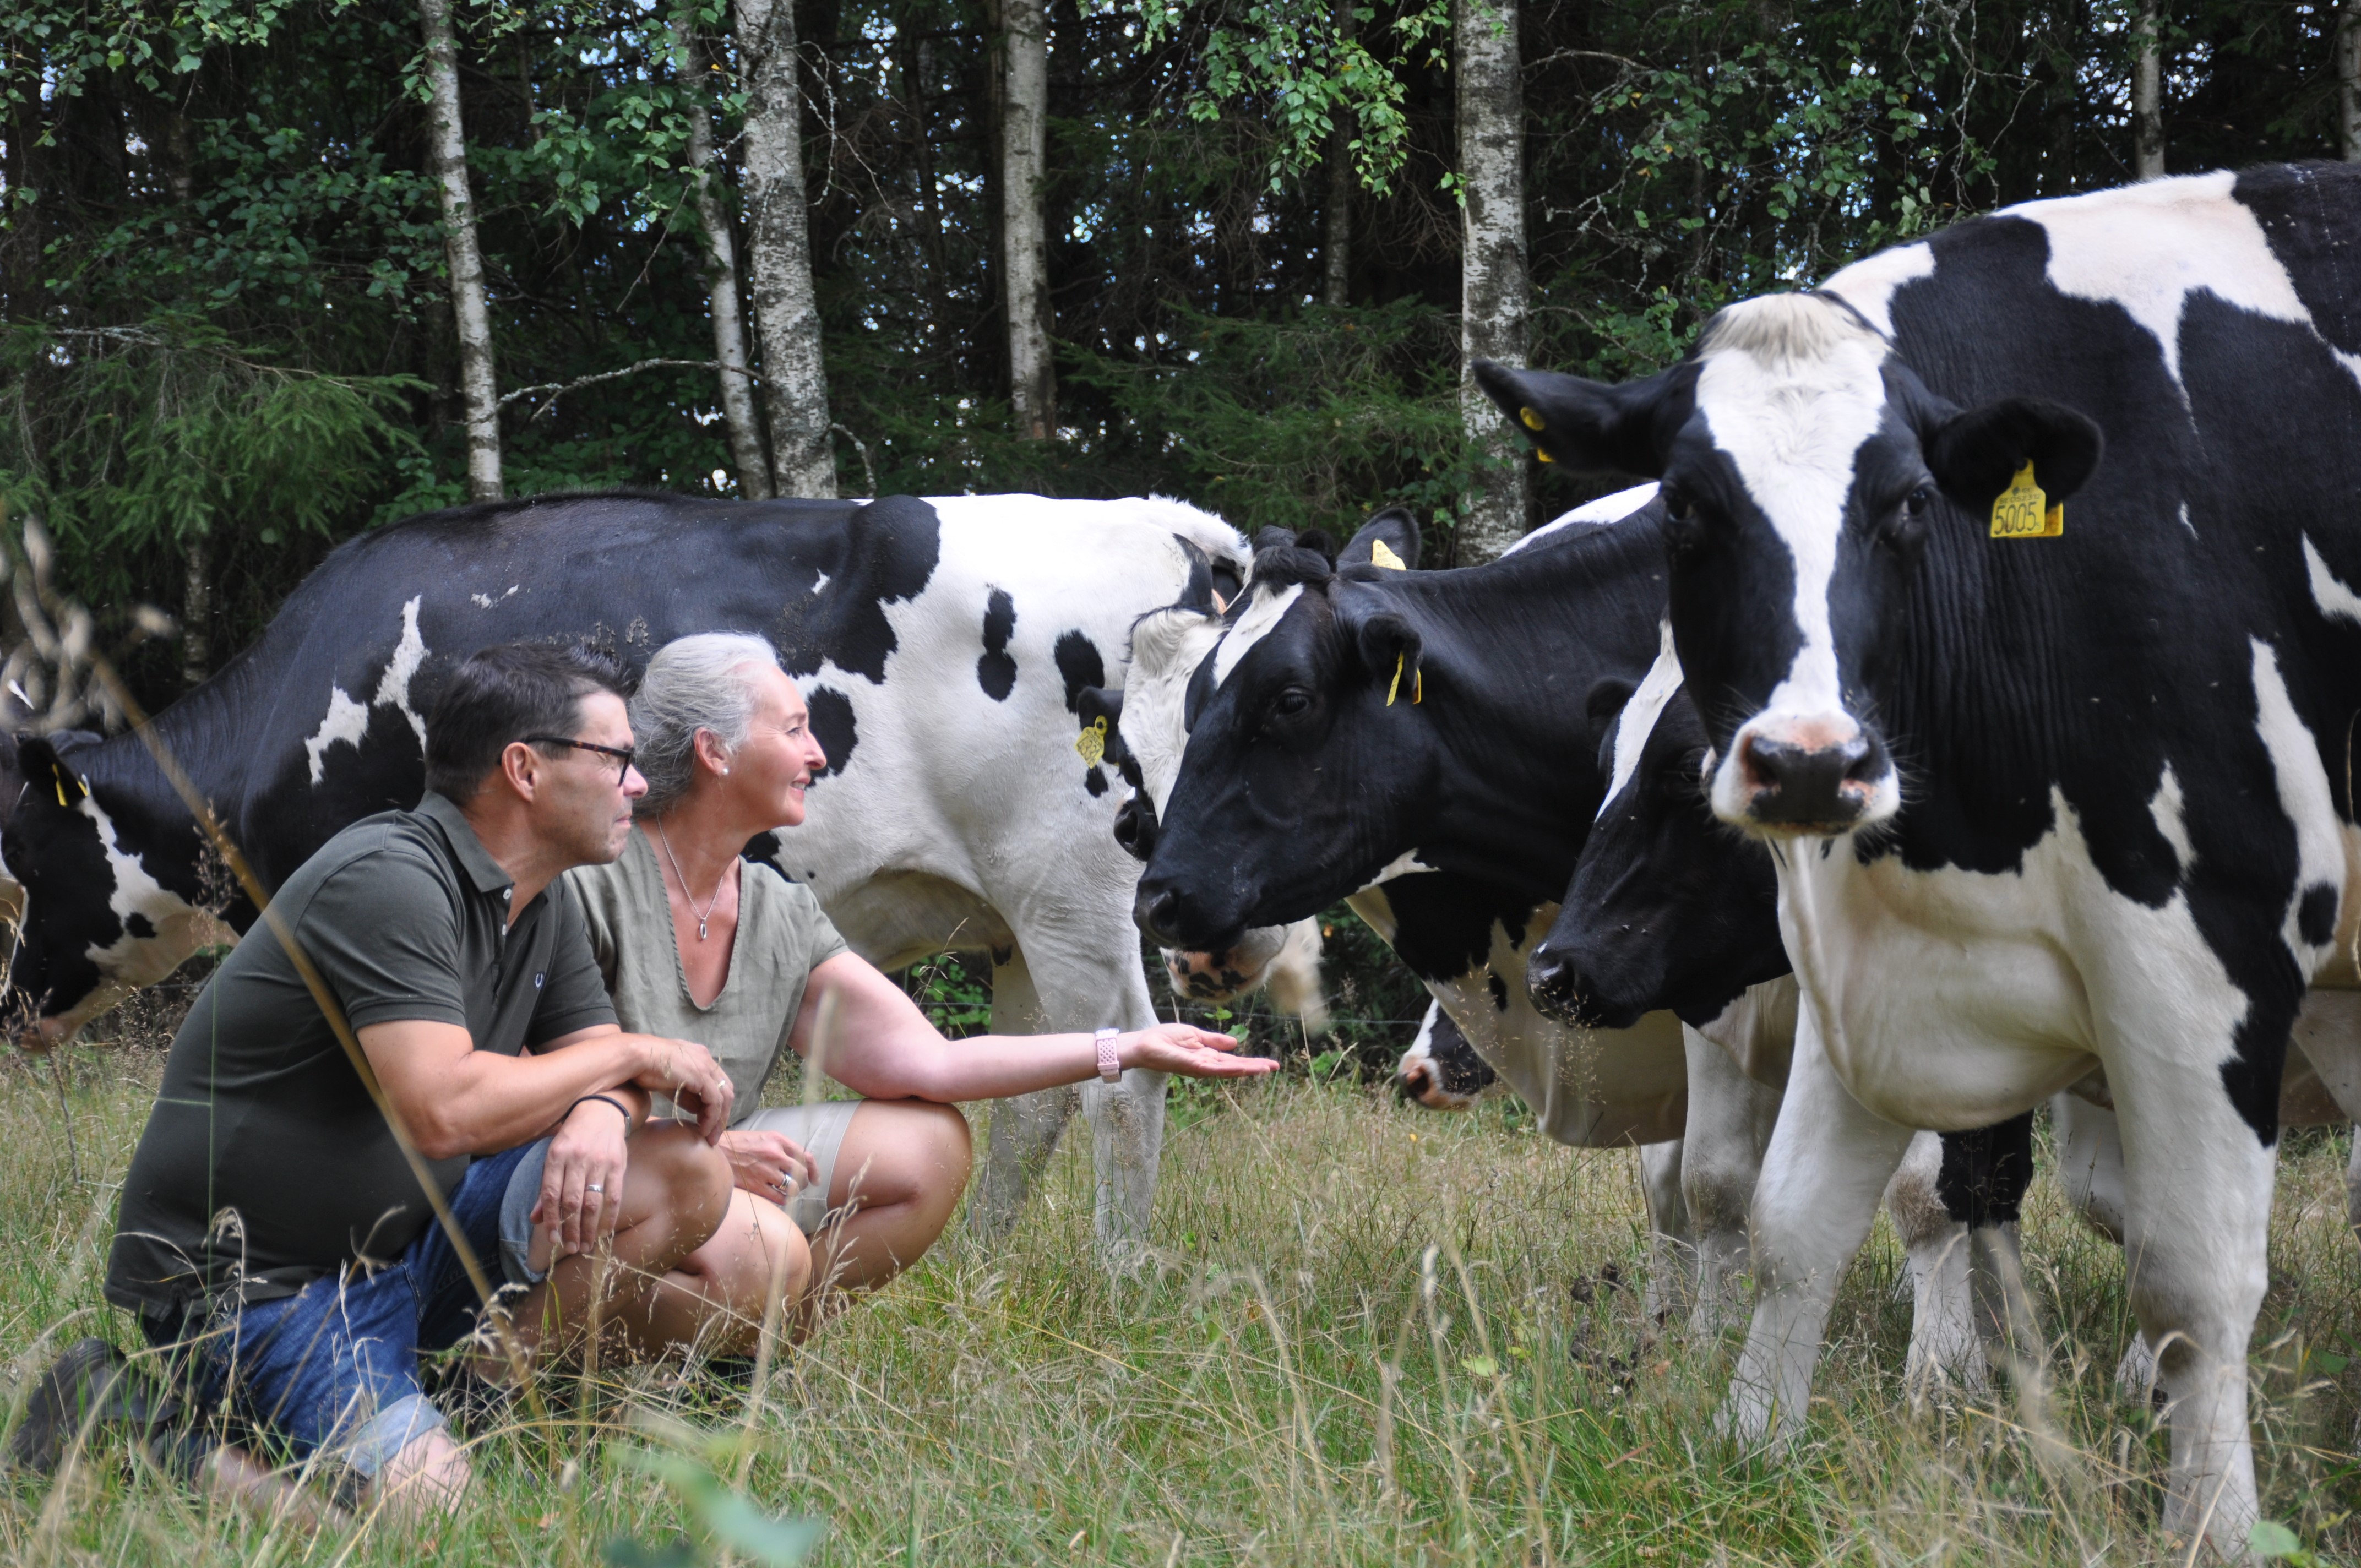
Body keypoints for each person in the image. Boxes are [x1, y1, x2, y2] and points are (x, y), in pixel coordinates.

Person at [70, 643, 743, 1516]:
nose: (639, 784)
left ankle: (479, 1386)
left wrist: (600, 1115)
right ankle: (129, 1427)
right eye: (616, 758)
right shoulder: (391, 878)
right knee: (435, 1521)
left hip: (413, 1248)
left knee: (687, 1172)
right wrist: (621, 1063)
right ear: (525, 769)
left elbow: (603, 1060)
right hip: (261, 1292)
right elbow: (441, 1109)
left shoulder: (542, 897)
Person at [567, 633, 1274, 1353]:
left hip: (720, 1166)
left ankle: (744, 1366)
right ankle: (581, 1370)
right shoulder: (590, 886)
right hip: (595, 1182)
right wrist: (703, 1158)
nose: (818, 756)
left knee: (929, 1145)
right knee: (766, 1247)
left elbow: (929, 1063)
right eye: (794, 731)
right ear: (714, 752)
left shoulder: (777, 911)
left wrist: (1124, 1046)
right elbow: (541, 1107)